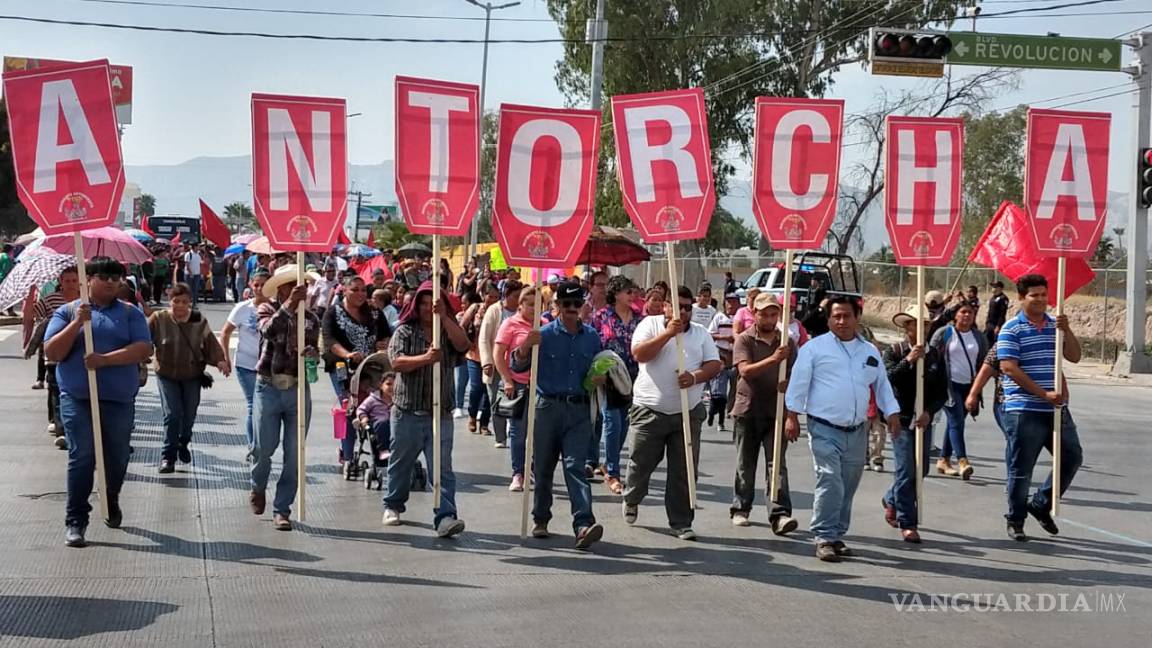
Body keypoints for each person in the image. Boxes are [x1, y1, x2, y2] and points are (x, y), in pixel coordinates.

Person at [44, 257, 153, 547]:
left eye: (116, 277)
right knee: (82, 457)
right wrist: (78, 323)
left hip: (118, 399)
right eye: (103, 276)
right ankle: (76, 520)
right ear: (88, 279)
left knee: (117, 457)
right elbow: (52, 352)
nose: (110, 281)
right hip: (78, 399)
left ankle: (110, 495)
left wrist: (104, 360)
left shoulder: (130, 313)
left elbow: (142, 348)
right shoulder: (68, 312)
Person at [785, 296, 901, 562]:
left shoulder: (870, 351)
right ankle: (824, 536)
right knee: (830, 480)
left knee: (848, 485)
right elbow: (798, 384)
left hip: (857, 431)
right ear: (828, 319)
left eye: (846, 316)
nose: (841, 321)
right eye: (835, 316)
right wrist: (791, 416)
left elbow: (881, 385)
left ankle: (837, 535)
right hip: (824, 428)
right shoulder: (814, 349)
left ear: (857, 317)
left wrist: (892, 412)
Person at [624, 286, 722, 541]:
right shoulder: (650, 325)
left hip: (687, 412)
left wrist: (694, 377)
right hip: (649, 410)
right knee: (641, 463)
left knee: (684, 469)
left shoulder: (701, 334)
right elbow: (639, 354)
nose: (684, 312)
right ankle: (632, 497)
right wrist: (668, 334)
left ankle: (681, 521)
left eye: (688, 307)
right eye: (678, 306)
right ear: (665, 306)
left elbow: (714, 364)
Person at [516, 281, 605, 547]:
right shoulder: (541, 334)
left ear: (582, 306)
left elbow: (597, 368)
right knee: (543, 468)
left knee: (575, 466)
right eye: (566, 304)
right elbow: (516, 365)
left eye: (576, 304)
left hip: (578, 408)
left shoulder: (591, 336)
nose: (571, 309)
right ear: (556, 306)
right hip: (547, 407)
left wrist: (599, 378)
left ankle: (584, 524)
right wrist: (523, 348)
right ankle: (540, 517)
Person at [997, 274, 1083, 542]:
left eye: (1044, 295)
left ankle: (1041, 503)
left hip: (1055, 407)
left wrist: (1066, 329)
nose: (1041, 300)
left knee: (1071, 456)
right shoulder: (1011, 328)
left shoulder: (1054, 326)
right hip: (1024, 408)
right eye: (1034, 295)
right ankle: (1016, 519)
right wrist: (1043, 394)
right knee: (1022, 468)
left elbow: (1074, 356)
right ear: (1022, 297)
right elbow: (1008, 367)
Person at [382, 281, 471, 537]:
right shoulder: (405, 331)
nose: (425, 308)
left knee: (442, 468)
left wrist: (444, 317)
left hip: (439, 412)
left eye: (430, 303)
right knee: (401, 462)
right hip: (407, 410)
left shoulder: (445, 329)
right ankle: (393, 504)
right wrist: (425, 359)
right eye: (421, 302)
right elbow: (396, 362)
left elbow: (463, 345)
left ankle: (445, 515)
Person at [249, 264, 322, 531]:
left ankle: (283, 509)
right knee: (263, 448)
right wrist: (290, 305)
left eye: (300, 287)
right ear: (280, 290)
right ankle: (257, 484)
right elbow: (268, 330)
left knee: (294, 454)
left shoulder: (312, 318)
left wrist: (312, 354)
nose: (297, 291)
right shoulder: (266, 309)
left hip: (297, 388)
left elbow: (314, 348)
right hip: (268, 386)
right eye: (291, 287)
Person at [730, 293, 798, 532]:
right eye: (764, 314)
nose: (769, 319)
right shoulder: (745, 340)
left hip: (776, 410)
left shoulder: (787, 341)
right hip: (748, 409)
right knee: (745, 463)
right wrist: (773, 360)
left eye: (773, 314)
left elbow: (796, 376)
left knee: (776, 464)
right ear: (754, 313)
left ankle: (779, 514)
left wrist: (792, 414)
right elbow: (745, 371)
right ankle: (741, 508)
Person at [881, 304, 949, 543]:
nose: (920, 329)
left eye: (925, 324)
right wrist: (909, 361)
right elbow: (888, 379)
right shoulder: (895, 351)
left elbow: (942, 390)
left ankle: (892, 498)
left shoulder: (936, 355)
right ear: (906, 327)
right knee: (906, 468)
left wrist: (930, 411)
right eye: (915, 324)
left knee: (921, 470)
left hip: (922, 420)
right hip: (900, 419)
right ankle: (907, 521)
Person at [149, 283, 230, 473]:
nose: (180, 306)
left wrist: (220, 361)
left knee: (189, 413)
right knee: (172, 413)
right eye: (176, 301)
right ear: (170, 301)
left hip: (192, 375)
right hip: (166, 374)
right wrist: (139, 354)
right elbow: (143, 338)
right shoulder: (159, 318)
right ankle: (168, 456)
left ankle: (183, 441)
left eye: (184, 302)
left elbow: (211, 342)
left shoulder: (198, 319)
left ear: (190, 303)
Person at [323, 275, 392, 469]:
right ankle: (347, 454)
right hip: (342, 368)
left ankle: (381, 447)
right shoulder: (333, 313)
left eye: (363, 290)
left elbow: (387, 334)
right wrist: (348, 355)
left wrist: (383, 344)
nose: (361, 294)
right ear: (344, 290)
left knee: (378, 404)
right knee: (349, 408)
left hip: (371, 366)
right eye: (355, 289)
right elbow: (329, 341)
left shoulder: (374, 312)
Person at [589, 276, 641, 494]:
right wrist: (595, 373)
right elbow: (593, 345)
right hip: (610, 377)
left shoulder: (640, 318)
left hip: (635, 377)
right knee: (612, 423)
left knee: (625, 424)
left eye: (632, 292)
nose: (632, 296)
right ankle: (613, 472)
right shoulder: (601, 317)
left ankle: (609, 462)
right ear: (616, 294)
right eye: (628, 292)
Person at [928, 300, 987, 480]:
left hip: (969, 387)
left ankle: (944, 460)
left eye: (970, 312)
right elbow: (932, 356)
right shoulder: (945, 333)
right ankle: (963, 461)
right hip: (948, 385)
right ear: (955, 315)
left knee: (956, 423)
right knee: (956, 421)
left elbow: (985, 362)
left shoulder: (978, 337)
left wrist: (977, 389)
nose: (967, 315)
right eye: (963, 312)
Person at [492, 285, 539, 492]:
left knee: (538, 432)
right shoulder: (510, 324)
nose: (534, 309)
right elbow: (498, 353)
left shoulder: (544, 324)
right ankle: (518, 472)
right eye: (530, 305)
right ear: (520, 305)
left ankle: (535, 469)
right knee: (518, 432)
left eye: (538, 305)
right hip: (518, 384)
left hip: (539, 386)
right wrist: (507, 379)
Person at [221, 268, 270, 450]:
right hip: (246, 364)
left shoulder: (276, 307)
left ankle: (264, 442)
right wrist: (225, 358)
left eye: (264, 285)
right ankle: (253, 446)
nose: (259, 289)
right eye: (256, 285)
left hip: (268, 365)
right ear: (251, 285)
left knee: (266, 408)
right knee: (253, 404)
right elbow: (225, 333)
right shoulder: (242, 308)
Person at [477, 280, 521, 442]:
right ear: (507, 295)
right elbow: (484, 338)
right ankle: (500, 437)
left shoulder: (521, 312)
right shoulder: (494, 310)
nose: (517, 300)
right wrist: (487, 362)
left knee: (517, 401)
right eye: (515, 296)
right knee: (496, 401)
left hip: (517, 366)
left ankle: (515, 433)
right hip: (496, 366)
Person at [357, 373, 395, 460]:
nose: (392, 387)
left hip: (395, 423)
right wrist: (363, 417)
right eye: (388, 384)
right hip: (377, 425)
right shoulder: (373, 398)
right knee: (383, 422)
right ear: (381, 385)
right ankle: (383, 450)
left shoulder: (398, 399)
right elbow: (361, 409)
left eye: (395, 385)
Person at [984, 280, 1011, 347]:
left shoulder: (1003, 298)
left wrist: (998, 326)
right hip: (990, 323)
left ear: (999, 288)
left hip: (996, 324)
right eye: (993, 287)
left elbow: (1002, 314)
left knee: (995, 343)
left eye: (994, 287)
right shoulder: (993, 297)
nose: (993, 288)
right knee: (986, 342)